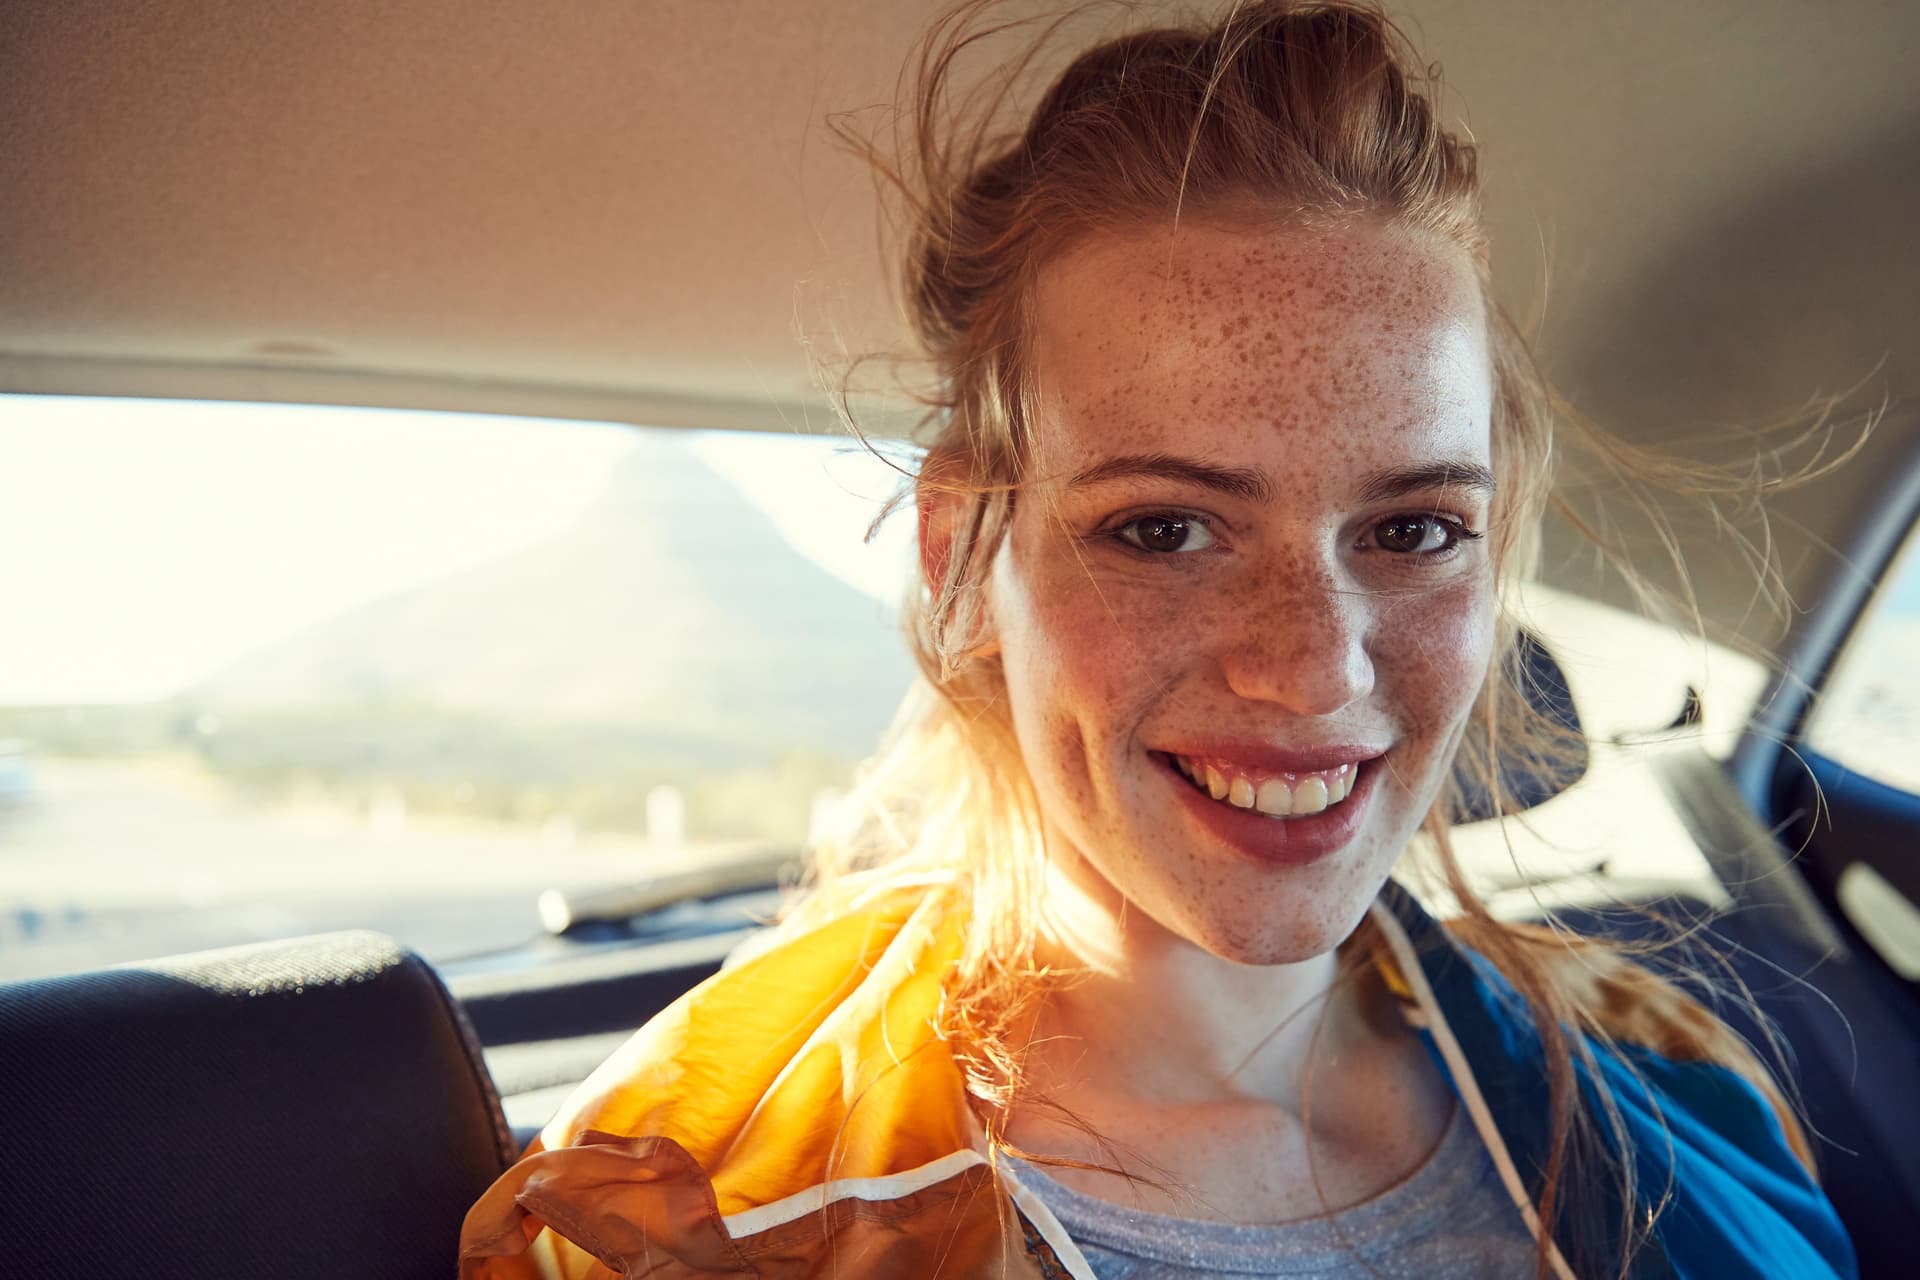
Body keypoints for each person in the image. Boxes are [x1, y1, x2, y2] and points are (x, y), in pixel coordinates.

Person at [459, 3, 1857, 1276]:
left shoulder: (1678, 1082)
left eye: (1414, 529)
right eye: (1165, 529)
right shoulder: (681, 1209)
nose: (1312, 670)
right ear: (961, 560)